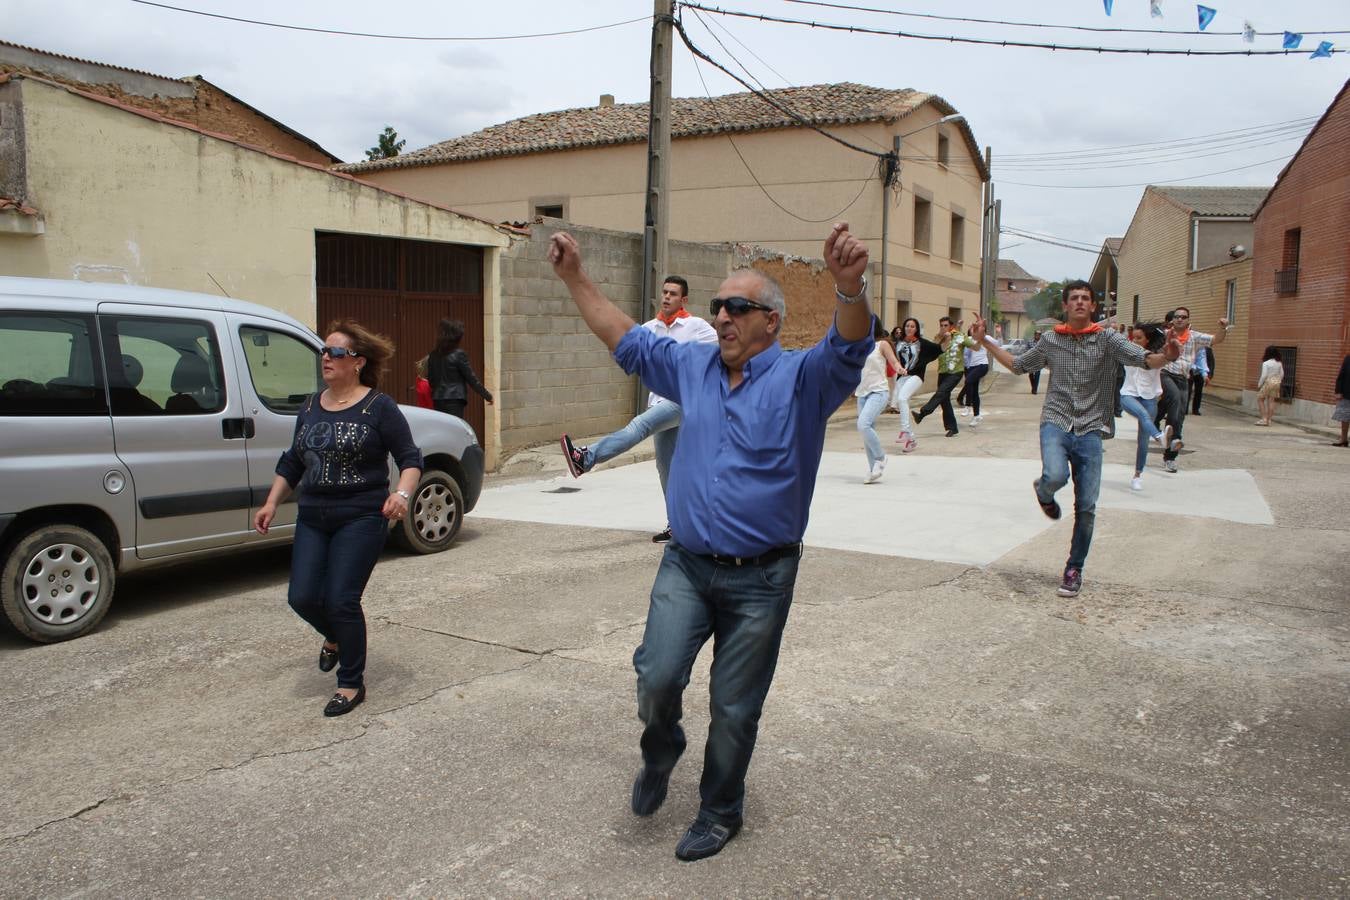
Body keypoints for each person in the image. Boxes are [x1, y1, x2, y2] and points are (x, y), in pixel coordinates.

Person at [547, 221, 873, 862]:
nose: (721, 316)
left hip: (763, 578)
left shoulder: (804, 380)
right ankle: (662, 749)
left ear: (770, 323)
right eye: (719, 305)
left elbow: (849, 344)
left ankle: (721, 811)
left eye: (737, 307)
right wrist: (574, 277)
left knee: (734, 706)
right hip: (688, 566)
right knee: (657, 677)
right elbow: (621, 333)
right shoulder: (691, 366)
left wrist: (850, 286)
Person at [254, 321, 423, 717]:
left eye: (335, 353)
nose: (326, 358)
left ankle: (350, 682)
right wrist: (271, 501)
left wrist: (401, 494)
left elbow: (410, 459)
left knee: (341, 599)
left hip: (361, 515)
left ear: (358, 362)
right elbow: (293, 460)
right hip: (314, 514)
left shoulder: (378, 407)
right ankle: (333, 636)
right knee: (302, 597)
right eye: (324, 352)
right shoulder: (310, 406)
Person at [972, 281, 1180, 598]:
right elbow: (1017, 365)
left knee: (1086, 506)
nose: (1080, 302)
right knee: (1055, 475)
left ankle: (1074, 568)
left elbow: (1144, 358)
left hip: (1091, 428)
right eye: (1074, 298)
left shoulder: (1109, 340)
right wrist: (985, 342)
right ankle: (1044, 490)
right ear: (1066, 306)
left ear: (1093, 307)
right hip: (1056, 422)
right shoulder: (1052, 340)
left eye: (1086, 298)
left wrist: (1166, 356)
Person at [559, 276, 718, 543]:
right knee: (665, 466)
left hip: (683, 399)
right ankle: (679, 525)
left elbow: (724, 350)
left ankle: (585, 458)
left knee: (639, 426)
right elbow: (623, 343)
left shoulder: (696, 327)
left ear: (684, 300)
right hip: (659, 400)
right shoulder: (649, 328)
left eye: (673, 293)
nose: (667, 297)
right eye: (664, 292)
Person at [1158, 306, 1230, 473]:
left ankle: (1170, 456)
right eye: (1177, 317)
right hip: (1166, 374)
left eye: (1183, 317)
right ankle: (1166, 432)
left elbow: (1216, 339)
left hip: (1183, 378)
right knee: (1175, 400)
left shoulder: (1195, 337)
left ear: (1188, 320)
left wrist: (1223, 327)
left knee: (1179, 415)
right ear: (1172, 320)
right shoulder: (1165, 335)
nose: (1180, 319)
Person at [1119, 323, 1173, 491]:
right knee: (1143, 414)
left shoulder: (1156, 356)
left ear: (1147, 339)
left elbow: (1169, 356)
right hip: (1128, 394)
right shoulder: (1126, 351)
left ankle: (1137, 475)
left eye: (1139, 338)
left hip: (1149, 397)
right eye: (1133, 337)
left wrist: (1170, 344)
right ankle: (1159, 436)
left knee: (1143, 441)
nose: (1134, 340)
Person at [856, 318, 905, 483]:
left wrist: (899, 368)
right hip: (862, 393)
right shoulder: (859, 345)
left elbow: (893, 361)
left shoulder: (882, 344)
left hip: (878, 392)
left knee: (863, 424)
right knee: (867, 431)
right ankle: (873, 470)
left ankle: (881, 458)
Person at [912, 316, 977, 437]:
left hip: (955, 372)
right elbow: (933, 350)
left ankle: (922, 413)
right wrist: (941, 337)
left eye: (945, 325)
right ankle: (952, 428)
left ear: (951, 326)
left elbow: (975, 346)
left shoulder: (960, 336)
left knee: (941, 393)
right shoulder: (938, 338)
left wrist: (976, 335)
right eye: (941, 325)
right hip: (942, 371)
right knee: (944, 400)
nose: (943, 328)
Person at [890, 317, 942, 452]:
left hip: (916, 376)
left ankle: (905, 431)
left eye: (912, 326)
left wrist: (944, 335)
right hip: (902, 377)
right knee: (900, 403)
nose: (909, 328)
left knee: (902, 398)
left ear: (917, 329)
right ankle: (910, 439)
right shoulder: (898, 343)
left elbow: (939, 348)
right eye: (907, 326)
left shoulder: (922, 343)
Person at [427, 319, 493, 420]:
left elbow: (431, 379)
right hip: (455, 399)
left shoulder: (433, 354)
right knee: (455, 428)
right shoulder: (459, 354)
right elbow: (471, 379)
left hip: (438, 398)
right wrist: (488, 396)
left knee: (443, 428)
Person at [957, 326, 991, 426]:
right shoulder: (970, 340)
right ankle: (976, 416)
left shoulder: (986, 338)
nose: (973, 331)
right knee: (974, 391)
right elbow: (960, 337)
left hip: (982, 365)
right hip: (972, 366)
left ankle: (967, 406)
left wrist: (998, 334)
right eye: (972, 329)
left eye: (975, 329)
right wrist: (959, 326)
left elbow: (998, 343)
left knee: (968, 381)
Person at [1255, 346, 1284, 427]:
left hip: (1268, 382)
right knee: (1271, 400)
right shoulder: (1279, 363)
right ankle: (1269, 420)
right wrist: (1278, 381)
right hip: (1277, 382)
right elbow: (1282, 374)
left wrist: (1259, 384)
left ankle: (1264, 419)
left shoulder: (1266, 363)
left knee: (1260, 399)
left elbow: (1264, 375)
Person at [1191, 344, 1215, 415]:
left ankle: (1196, 409)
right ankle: (1184, 409)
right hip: (1190, 371)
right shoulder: (1191, 346)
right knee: (1188, 390)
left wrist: (1208, 375)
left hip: (1200, 373)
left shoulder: (1207, 350)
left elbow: (1211, 363)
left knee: (1198, 391)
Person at [1334, 354, 1350, 447]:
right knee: (1344, 417)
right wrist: (1338, 391)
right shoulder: (1348, 358)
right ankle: (1344, 439)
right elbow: (1341, 375)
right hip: (1347, 392)